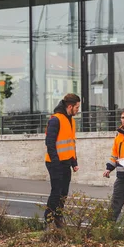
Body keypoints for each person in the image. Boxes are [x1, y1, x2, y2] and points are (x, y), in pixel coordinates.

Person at [44, 93, 81, 228]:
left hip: (66, 162)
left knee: (63, 193)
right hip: (55, 162)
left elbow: (71, 143)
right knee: (56, 192)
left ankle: (58, 218)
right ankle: (48, 221)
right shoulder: (55, 120)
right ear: (70, 106)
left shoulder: (71, 120)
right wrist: (55, 163)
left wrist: (74, 163)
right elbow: (50, 143)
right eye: (77, 107)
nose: (78, 110)